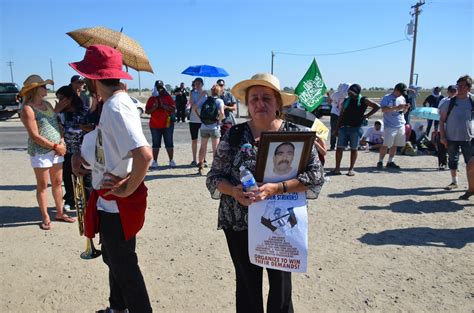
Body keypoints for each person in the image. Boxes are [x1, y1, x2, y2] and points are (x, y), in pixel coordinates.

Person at [206, 73, 324, 313]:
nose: (260, 104)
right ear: (247, 104)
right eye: (254, 99)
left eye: (266, 98)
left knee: (281, 286)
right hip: (239, 222)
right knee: (247, 285)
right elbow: (214, 177)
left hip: (283, 223)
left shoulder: (296, 135)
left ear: (278, 103)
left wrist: (276, 188)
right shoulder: (235, 135)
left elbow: (315, 176)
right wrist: (234, 191)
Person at [69, 44, 153, 313]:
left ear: (93, 79)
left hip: (117, 204)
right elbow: (111, 149)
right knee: (115, 260)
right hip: (110, 202)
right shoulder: (111, 104)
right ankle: (117, 308)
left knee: (124, 266)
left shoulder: (116, 107)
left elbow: (144, 155)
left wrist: (128, 189)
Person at [19, 75, 76, 230]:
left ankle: (59, 212)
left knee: (57, 183)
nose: (46, 88)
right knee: (43, 185)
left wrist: (62, 140)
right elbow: (34, 136)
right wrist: (55, 146)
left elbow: (57, 124)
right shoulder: (27, 109)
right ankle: (45, 217)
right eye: (43, 86)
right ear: (35, 90)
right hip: (41, 151)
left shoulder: (48, 105)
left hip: (57, 149)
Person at [54, 85, 92, 208]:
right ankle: (70, 201)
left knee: (86, 178)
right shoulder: (60, 114)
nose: (60, 102)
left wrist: (86, 127)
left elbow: (94, 128)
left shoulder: (84, 111)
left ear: (70, 99)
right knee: (68, 177)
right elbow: (51, 128)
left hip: (85, 151)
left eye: (61, 99)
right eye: (58, 100)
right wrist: (55, 112)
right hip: (67, 151)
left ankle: (88, 203)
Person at [331, 84, 380, 176]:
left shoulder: (363, 100)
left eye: (352, 92)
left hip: (356, 129)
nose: (349, 94)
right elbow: (341, 115)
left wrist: (367, 115)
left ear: (357, 93)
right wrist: (336, 129)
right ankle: (337, 169)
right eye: (349, 92)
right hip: (343, 128)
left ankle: (351, 169)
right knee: (339, 148)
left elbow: (377, 106)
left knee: (354, 149)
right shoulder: (346, 100)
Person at [439, 75, 473, 191]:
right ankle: (454, 181)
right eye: (458, 85)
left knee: (471, 162)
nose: (460, 88)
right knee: (453, 160)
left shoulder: (472, 101)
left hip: (469, 137)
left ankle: (471, 186)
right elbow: (442, 121)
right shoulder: (448, 102)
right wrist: (442, 137)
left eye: (463, 86)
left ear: (469, 88)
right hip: (451, 137)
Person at [377, 83, 410, 169]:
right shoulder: (387, 97)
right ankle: (380, 161)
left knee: (395, 144)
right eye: (401, 92)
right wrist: (396, 107)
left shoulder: (402, 98)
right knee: (386, 144)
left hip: (400, 124)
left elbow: (402, 112)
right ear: (396, 90)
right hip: (390, 125)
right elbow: (383, 109)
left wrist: (405, 108)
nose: (402, 94)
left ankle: (390, 161)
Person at [146, 80, 177, 169]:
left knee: (169, 143)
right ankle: (155, 161)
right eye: (158, 87)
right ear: (155, 87)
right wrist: (154, 107)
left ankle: (171, 160)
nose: (160, 89)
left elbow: (173, 108)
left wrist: (164, 106)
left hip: (167, 124)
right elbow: (147, 111)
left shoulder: (168, 97)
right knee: (155, 144)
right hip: (155, 125)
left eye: (161, 87)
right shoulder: (152, 98)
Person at [196, 83, 225, 175]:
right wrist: (219, 120)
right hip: (214, 127)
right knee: (215, 148)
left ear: (211, 91)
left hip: (204, 126)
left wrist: (200, 117)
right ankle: (215, 169)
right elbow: (222, 113)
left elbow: (194, 107)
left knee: (203, 147)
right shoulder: (219, 101)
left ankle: (200, 167)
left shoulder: (205, 99)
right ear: (219, 92)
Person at [188, 77, 207, 166]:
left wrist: (204, 95)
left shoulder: (206, 94)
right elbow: (193, 105)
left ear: (202, 84)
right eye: (195, 83)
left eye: (199, 83)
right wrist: (201, 96)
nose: (197, 85)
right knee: (194, 140)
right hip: (194, 120)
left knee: (204, 141)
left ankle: (203, 159)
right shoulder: (192, 93)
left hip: (204, 120)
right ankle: (194, 159)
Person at [329, 83, 350, 150]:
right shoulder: (336, 94)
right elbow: (329, 101)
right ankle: (334, 145)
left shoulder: (337, 94)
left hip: (342, 114)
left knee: (342, 130)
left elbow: (329, 102)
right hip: (336, 114)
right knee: (335, 130)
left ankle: (340, 145)